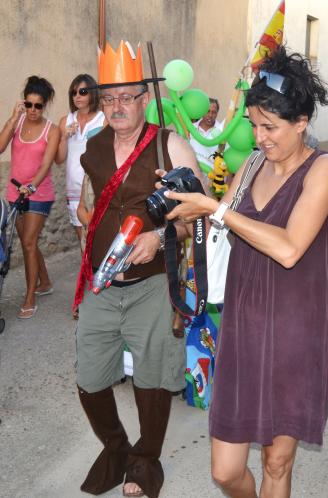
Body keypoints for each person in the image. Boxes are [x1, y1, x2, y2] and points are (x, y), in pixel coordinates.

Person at [159, 47, 328, 498]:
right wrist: (184, 200)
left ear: (301, 123)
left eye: (270, 127)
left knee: (276, 464)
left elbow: (289, 248)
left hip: (295, 333)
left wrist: (216, 209)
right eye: (254, 125)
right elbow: (216, 226)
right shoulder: (253, 164)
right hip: (242, 327)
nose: (259, 137)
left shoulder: (324, 170)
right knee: (226, 471)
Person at [72, 40, 202, 498]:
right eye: (108, 98)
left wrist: (160, 236)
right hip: (103, 282)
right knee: (89, 377)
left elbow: (199, 217)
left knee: (153, 377)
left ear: (145, 99)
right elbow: (88, 205)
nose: (117, 106)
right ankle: (117, 449)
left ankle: (146, 461)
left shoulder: (170, 146)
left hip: (153, 284)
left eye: (126, 96)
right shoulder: (92, 147)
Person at [0, 76, 59, 319]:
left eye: (38, 106)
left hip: (39, 193)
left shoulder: (52, 130)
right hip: (15, 192)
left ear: (44, 105)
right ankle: (44, 281)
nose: (33, 110)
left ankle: (29, 298)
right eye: (28, 104)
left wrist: (32, 186)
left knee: (27, 243)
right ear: (23, 102)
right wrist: (13, 118)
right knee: (29, 242)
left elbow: (46, 164)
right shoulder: (18, 122)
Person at [55, 74, 105, 249]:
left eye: (82, 92)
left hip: (96, 187)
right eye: (74, 92)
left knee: (100, 239)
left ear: (92, 93)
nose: (77, 96)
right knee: (83, 242)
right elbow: (59, 159)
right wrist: (64, 137)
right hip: (74, 189)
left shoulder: (103, 119)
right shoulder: (65, 121)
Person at [189, 97, 222, 168]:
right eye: (207, 111)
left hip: (212, 173)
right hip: (191, 172)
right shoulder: (190, 129)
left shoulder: (222, 132)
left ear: (217, 113)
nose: (210, 115)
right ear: (202, 111)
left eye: (213, 112)